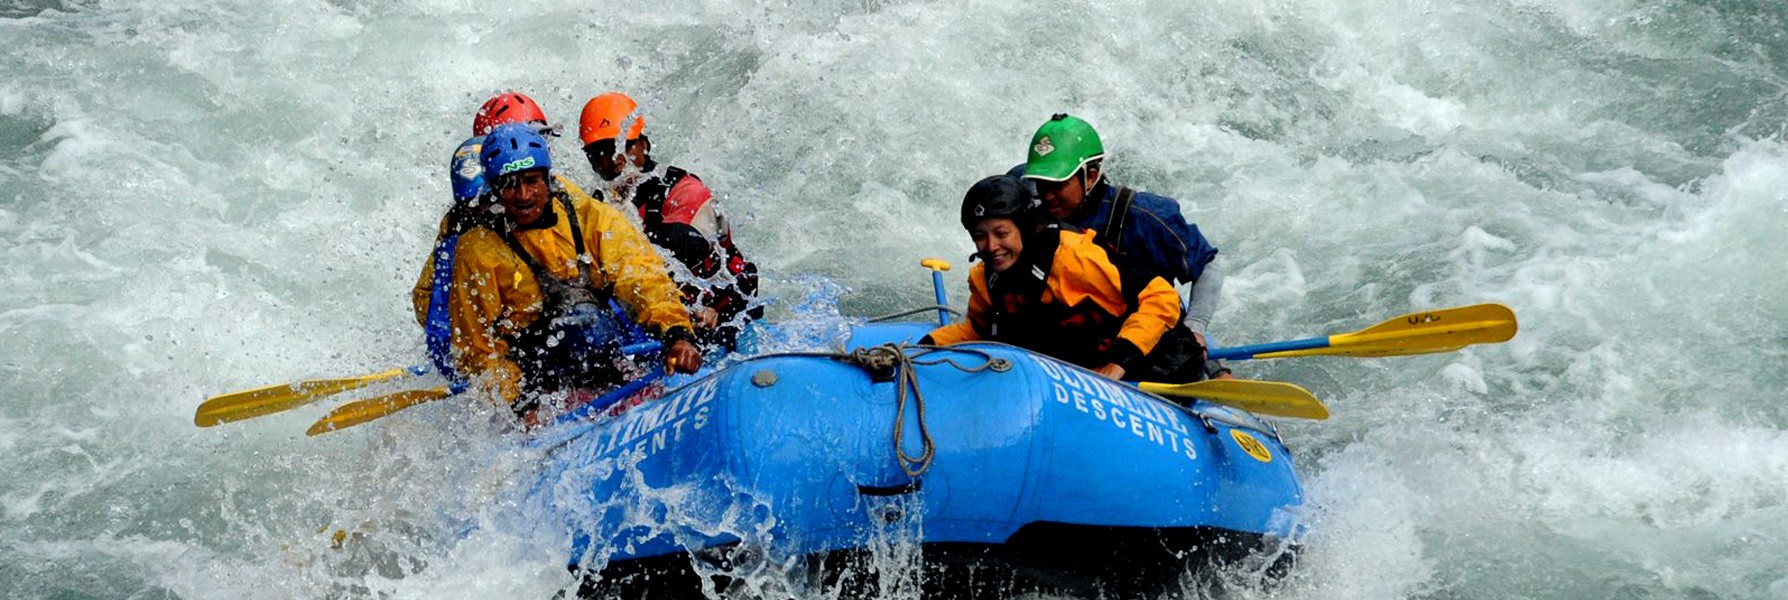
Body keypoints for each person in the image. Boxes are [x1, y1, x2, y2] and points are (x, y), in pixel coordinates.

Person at [440, 123, 702, 425]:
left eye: (531, 180)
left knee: (585, 318)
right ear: (495, 188)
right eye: (510, 184)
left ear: (547, 179)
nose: (523, 195)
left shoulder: (590, 215)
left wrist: (677, 333)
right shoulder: (476, 251)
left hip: (603, 354)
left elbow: (642, 278)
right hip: (535, 383)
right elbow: (476, 347)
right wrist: (520, 404)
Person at [921, 175, 1206, 384]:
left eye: (1001, 233)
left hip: (1146, 359)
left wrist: (1118, 363)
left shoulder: (1074, 258)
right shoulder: (986, 279)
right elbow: (979, 331)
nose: (991, 246)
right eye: (980, 236)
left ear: (1023, 227)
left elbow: (1161, 296)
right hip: (1078, 370)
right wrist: (925, 345)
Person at [1015, 113, 1232, 379]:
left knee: (1189, 339)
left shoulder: (1144, 216)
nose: (1047, 195)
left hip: (1149, 330)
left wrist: (1196, 327)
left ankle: (1218, 371)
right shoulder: (1030, 213)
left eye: (1058, 184)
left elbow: (1208, 266)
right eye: (1042, 183)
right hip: (1080, 336)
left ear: (1091, 175)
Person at [577, 92, 761, 352]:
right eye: (602, 151)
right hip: (647, 315)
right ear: (591, 160)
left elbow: (707, 268)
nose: (615, 159)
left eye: (624, 146)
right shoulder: (595, 205)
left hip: (719, 310)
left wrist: (704, 312)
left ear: (644, 144)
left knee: (669, 238)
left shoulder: (686, 193)